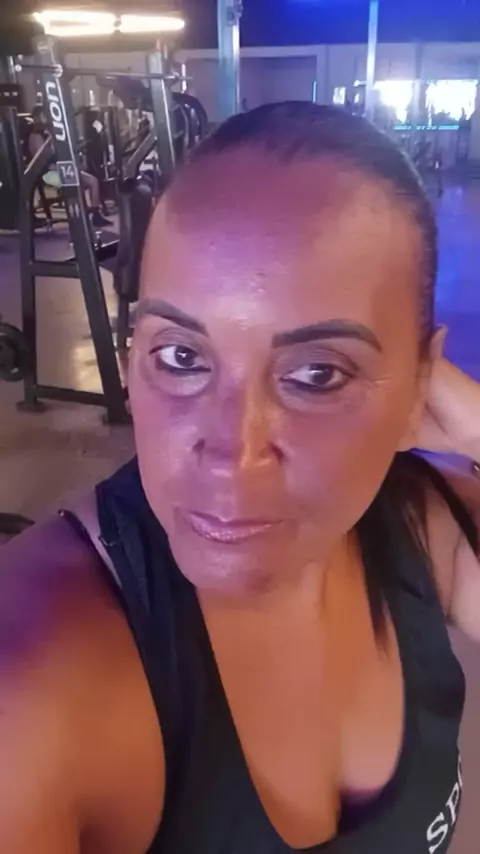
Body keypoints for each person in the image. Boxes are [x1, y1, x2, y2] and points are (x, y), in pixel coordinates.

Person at [2, 102, 480, 854]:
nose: (233, 450)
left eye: (317, 373)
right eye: (181, 357)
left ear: (422, 380)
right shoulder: (36, 679)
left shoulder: (423, 529)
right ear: (131, 360)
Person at [28, 105, 112, 228]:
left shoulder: (47, 133)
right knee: (83, 183)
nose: (47, 117)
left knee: (92, 179)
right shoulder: (35, 136)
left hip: (59, 169)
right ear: (37, 117)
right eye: (43, 115)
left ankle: (95, 215)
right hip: (49, 173)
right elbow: (45, 158)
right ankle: (83, 217)